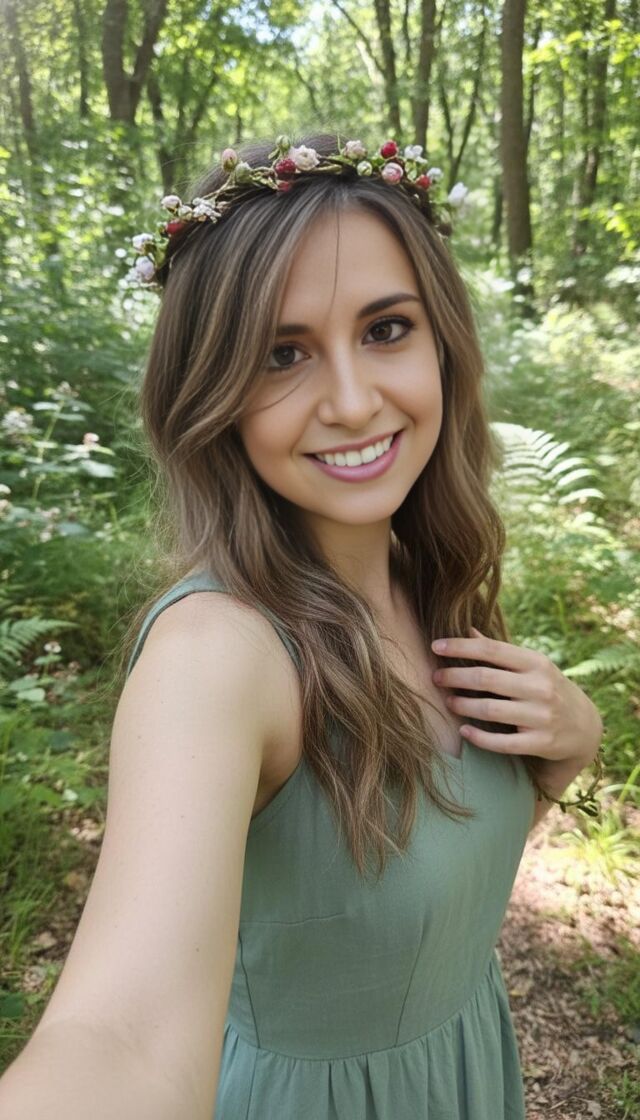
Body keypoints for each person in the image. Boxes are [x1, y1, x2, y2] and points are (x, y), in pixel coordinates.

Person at [0, 129, 603, 1120]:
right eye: (283, 354)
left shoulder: (425, 584)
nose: (354, 402)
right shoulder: (217, 656)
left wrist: (565, 750)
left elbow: (415, 885)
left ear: (442, 343)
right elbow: (124, 1039)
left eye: (385, 329)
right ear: (214, 392)